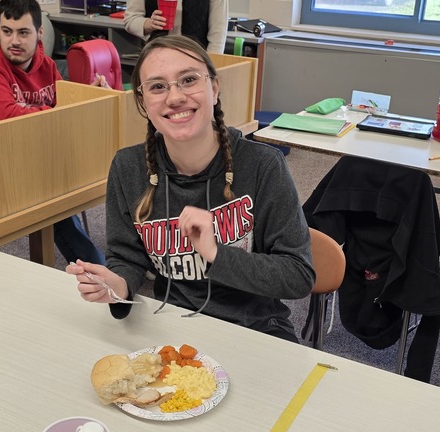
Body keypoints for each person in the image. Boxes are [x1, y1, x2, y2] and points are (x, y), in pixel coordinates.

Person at [66, 35, 314, 342]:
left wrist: (214, 253)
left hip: (256, 331)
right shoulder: (128, 168)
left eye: (188, 79)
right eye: (157, 86)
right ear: (143, 102)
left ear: (214, 88)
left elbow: (298, 276)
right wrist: (117, 285)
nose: (175, 97)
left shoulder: (263, 165)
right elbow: (127, 256)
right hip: (173, 329)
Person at [0, 0, 105, 265]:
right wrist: (63, 111)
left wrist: (89, 94)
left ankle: (129, 259)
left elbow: (65, 105)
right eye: (6, 31)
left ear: (39, 34)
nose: (13, 40)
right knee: (54, 191)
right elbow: (12, 122)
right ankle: (98, 268)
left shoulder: (46, 65)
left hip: (32, 153)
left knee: (111, 170)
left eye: (23, 32)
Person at [123, 0, 228, 54]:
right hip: (156, 55)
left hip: (196, 57)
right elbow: (131, 19)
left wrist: (212, 66)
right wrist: (149, 23)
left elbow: (217, 35)